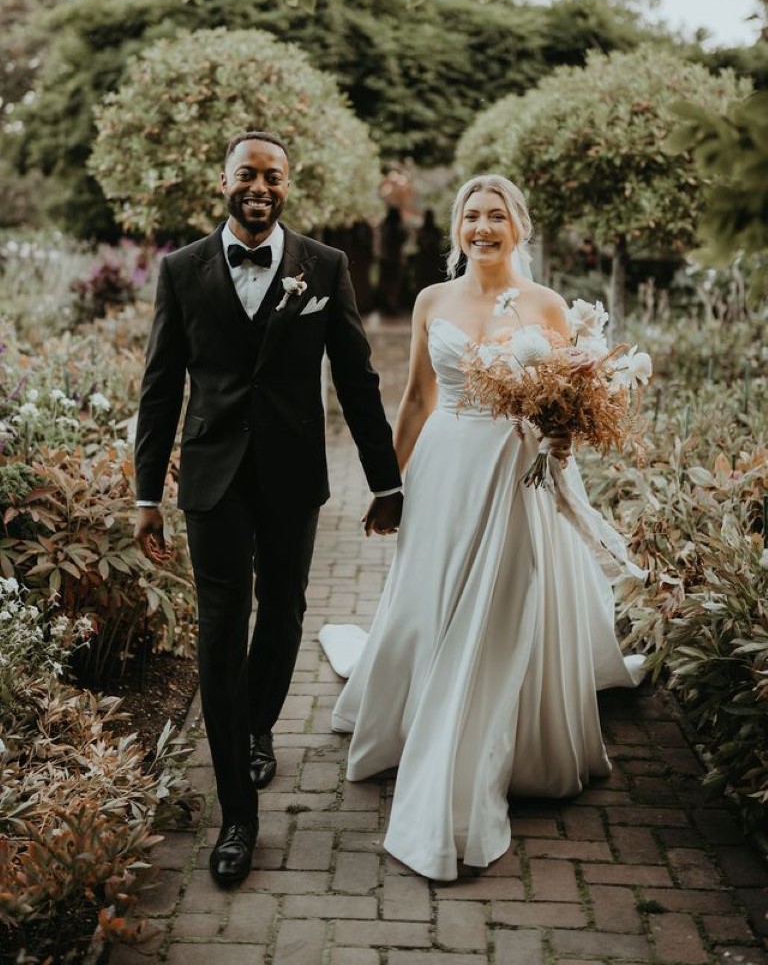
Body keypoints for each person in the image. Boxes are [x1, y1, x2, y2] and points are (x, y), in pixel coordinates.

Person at [324, 174, 645, 881]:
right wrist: (388, 483)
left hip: (514, 474)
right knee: (433, 593)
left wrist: (559, 446)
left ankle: (485, 744)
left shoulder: (547, 305)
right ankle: (422, 712)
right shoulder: (432, 299)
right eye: (472, 215)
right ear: (458, 228)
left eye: (496, 215)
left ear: (518, 227)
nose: (482, 226)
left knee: (503, 603)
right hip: (443, 470)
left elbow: (566, 407)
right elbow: (414, 398)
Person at [133, 130, 403, 887]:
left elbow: (356, 378)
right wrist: (146, 493)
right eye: (247, 173)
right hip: (212, 479)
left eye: (273, 175)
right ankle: (237, 815)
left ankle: (257, 725)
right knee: (222, 630)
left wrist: (386, 482)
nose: (259, 186)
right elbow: (161, 384)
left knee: (283, 611)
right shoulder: (181, 269)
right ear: (223, 179)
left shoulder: (325, 266)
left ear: (288, 184)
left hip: (291, 474)